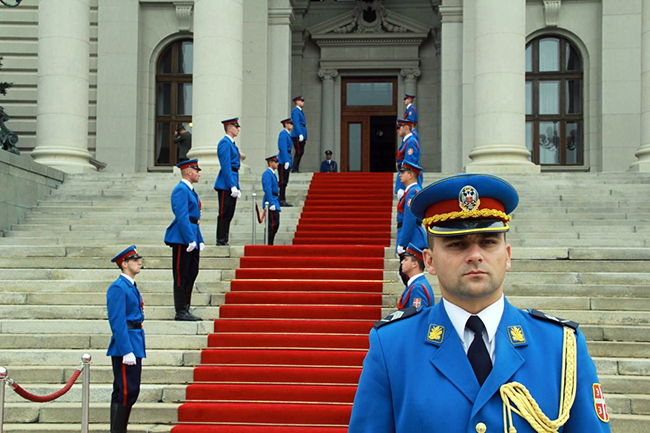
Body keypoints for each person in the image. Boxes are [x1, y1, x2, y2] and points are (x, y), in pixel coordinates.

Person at [349, 174, 611, 433]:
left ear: (507, 256)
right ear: (429, 261)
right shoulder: (392, 346)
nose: (475, 255)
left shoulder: (561, 347)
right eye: (457, 244)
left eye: (488, 242)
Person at [106, 245, 145, 433]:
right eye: (134, 260)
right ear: (124, 264)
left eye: (138, 259)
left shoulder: (130, 286)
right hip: (127, 344)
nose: (139, 263)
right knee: (127, 391)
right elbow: (117, 321)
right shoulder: (118, 287)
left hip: (135, 341)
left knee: (126, 390)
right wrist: (126, 350)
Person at [164, 158, 203, 321]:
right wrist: (190, 239)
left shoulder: (190, 190)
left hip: (191, 234)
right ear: (188, 172)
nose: (199, 174)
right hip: (182, 238)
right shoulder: (181, 189)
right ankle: (180, 310)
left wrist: (199, 239)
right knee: (182, 274)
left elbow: (195, 219)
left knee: (192, 272)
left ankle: (186, 307)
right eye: (196, 171)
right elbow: (182, 216)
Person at [395, 160, 426, 285]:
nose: (400, 175)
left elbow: (409, 219)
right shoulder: (411, 191)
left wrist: (402, 243)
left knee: (409, 275)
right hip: (412, 237)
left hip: (412, 239)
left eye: (403, 172)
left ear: (411, 175)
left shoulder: (412, 192)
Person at [214, 118, 242, 246]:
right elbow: (226, 166)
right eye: (236, 126)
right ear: (229, 128)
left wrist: (236, 185)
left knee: (229, 212)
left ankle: (224, 238)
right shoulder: (225, 143)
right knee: (224, 212)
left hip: (232, 179)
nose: (238, 129)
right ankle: (220, 239)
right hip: (226, 183)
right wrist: (232, 185)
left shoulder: (231, 143)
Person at [398, 242, 435, 310]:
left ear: (414, 264)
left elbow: (418, 314)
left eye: (406, 259)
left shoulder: (418, 288)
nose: (402, 262)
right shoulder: (417, 284)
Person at [394, 119, 422, 199]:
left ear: (406, 127)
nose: (397, 130)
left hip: (408, 181)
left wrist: (403, 187)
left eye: (399, 127)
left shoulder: (411, 142)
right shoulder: (406, 141)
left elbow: (409, 166)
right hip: (405, 179)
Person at [262, 155, 281, 245]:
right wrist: (271, 202)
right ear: (270, 162)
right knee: (272, 224)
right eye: (275, 162)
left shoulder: (272, 174)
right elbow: (267, 189)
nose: (277, 163)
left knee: (275, 224)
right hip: (271, 200)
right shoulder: (267, 173)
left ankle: (270, 242)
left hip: (275, 199)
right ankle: (268, 243)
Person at [277, 118, 293, 207]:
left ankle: (282, 198)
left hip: (287, 158)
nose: (292, 125)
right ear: (286, 124)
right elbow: (283, 148)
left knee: (285, 181)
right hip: (283, 160)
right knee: (282, 181)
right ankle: (281, 199)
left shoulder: (287, 134)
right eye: (290, 123)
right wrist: (286, 160)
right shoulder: (283, 133)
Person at [290, 95, 307, 172]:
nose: (303, 102)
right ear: (297, 102)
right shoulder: (296, 111)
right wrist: (300, 133)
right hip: (297, 134)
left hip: (302, 132)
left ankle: (296, 167)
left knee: (301, 151)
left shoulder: (300, 111)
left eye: (303, 101)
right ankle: (294, 168)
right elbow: (296, 123)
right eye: (301, 100)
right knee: (299, 151)